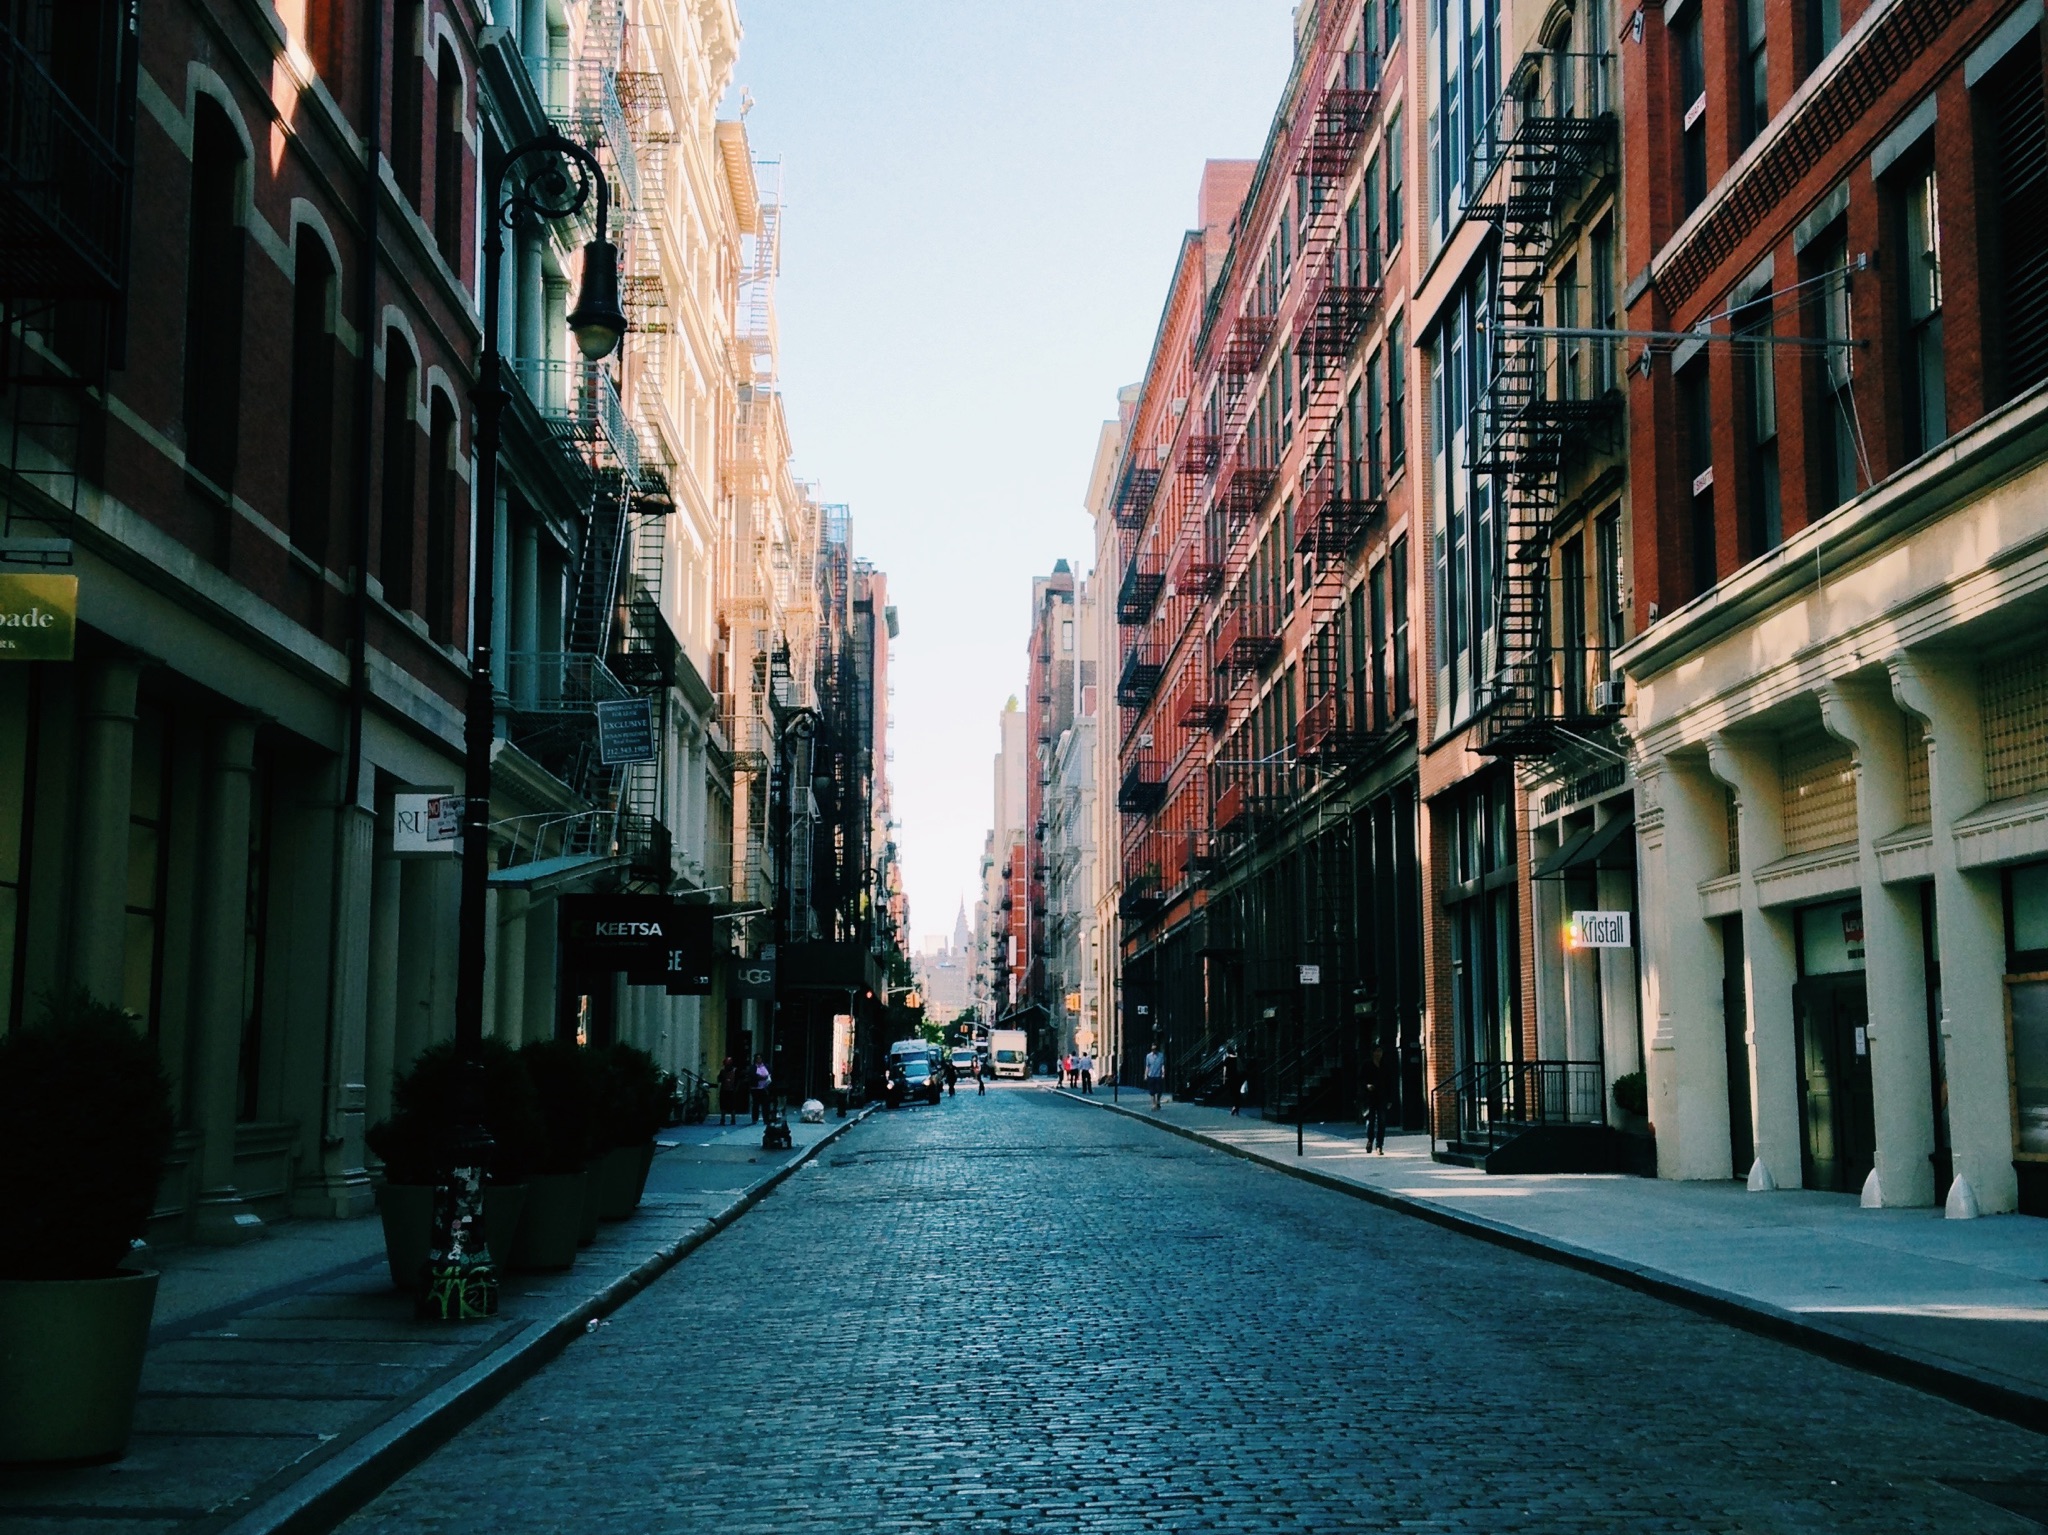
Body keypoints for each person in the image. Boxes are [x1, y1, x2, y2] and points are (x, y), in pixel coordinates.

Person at [1362, 1045, 1389, 1154]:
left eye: (1380, 1051)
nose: (1378, 1054)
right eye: (1376, 1051)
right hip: (1370, 1097)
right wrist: (1366, 1085)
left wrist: (1390, 1099)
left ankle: (1379, 1146)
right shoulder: (1367, 1065)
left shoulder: (1385, 1065)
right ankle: (1370, 1140)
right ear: (1372, 1053)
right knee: (1371, 1121)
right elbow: (1360, 1079)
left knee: (1382, 1121)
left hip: (1382, 1097)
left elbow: (1390, 1081)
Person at [716, 1055, 744, 1126]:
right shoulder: (723, 1071)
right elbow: (719, 1079)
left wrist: (736, 1088)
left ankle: (732, 1119)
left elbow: (739, 1080)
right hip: (724, 1089)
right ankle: (723, 1119)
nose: (727, 1066)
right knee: (723, 1105)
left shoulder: (735, 1071)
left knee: (732, 1106)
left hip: (731, 1090)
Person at [1144, 1045, 1167, 1110]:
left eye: (1155, 1049)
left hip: (1158, 1075)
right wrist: (1145, 1075)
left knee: (1159, 1090)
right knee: (1152, 1091)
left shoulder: (1161, 1056)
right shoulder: (1148, 1056)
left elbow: (1162, 1065)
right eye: (1152, 1049)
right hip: (1151, 1075)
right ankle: (1154, 1104)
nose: (1154, 1050)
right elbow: (1147, 1066)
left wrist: (1163, 1073)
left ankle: (1158, 1101)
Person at [751, 1055, 772, 1124]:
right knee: (755, 1104)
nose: (759, 1060)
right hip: (756, 1088)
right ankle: (755, 1119)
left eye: (760, 1058)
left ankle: (766, 1119)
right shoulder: (753, 1067)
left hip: (764, 1088)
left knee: (765, 1104)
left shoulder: (766, 1066)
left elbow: (770, 1074)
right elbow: (753, 1076)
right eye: (757, 1058)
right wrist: (761, 1077)